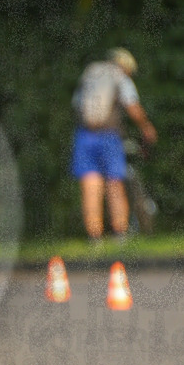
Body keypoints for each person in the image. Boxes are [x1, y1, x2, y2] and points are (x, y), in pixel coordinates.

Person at [71, 48, 157, 241]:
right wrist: (146, 127)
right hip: (109, 135)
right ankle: (120, 232)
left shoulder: (91, 73)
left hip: (85, 135)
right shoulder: (120, 77)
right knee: (114, 183)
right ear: (126, 66)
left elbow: (76, 104)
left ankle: (94, 236)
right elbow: (132, 105)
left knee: (90, 184)